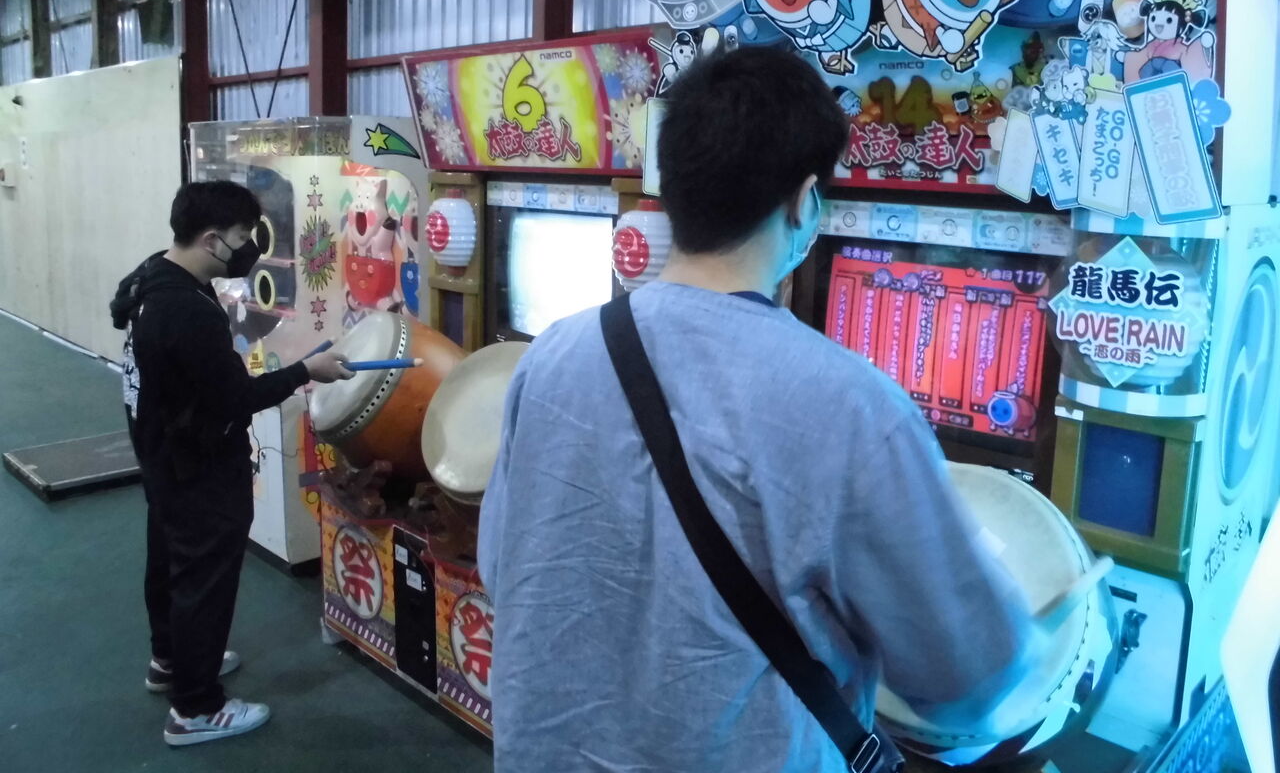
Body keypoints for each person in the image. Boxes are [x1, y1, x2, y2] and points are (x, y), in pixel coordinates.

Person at [478, 47, 1039, 771]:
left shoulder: (551, 355)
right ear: (804, 201)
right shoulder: (853, 407)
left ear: (674, 187)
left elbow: (502, 567)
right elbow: (968, 677)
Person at [110, 181, 353, 747]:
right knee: (203, 580)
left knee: (170, 563)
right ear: (212, 239)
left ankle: (171, 661)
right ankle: (195, 709)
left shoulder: (153, 275)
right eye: (244, 237)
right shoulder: (185, 310)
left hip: (161, 455)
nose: (250, 249)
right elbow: (234, 398)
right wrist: (306, 372)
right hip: (197, 465)